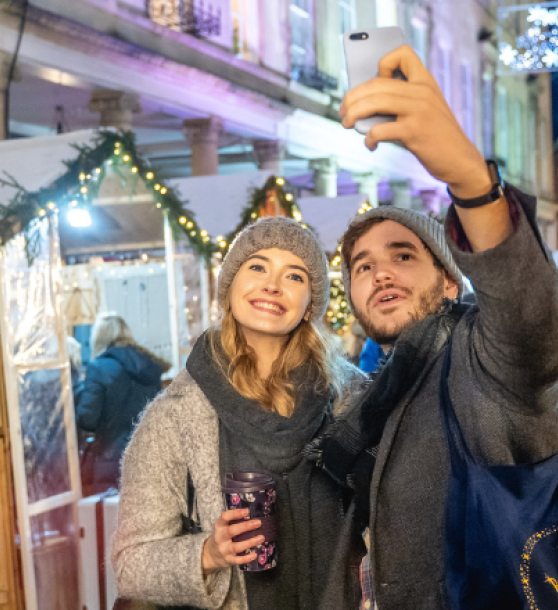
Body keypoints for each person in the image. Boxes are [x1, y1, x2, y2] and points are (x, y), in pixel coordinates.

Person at [310, 45, 558, 609]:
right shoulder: (372, 399)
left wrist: (470, 180)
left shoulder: (483, 362)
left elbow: (539, 327)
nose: (380, 271)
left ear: (452, 282)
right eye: (362, 266)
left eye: (404, 256)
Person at [111, 218, 366, 610]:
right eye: (258, 266)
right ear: (230, 285)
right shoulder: (174, 418)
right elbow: (131, 564)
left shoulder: (352, 400)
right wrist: (209, 553)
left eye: (295, 276)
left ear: (310, 302)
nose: (273, 285)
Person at [75, 313, 169, 496]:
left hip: (111, 460)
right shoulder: (150, 367)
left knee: (112, 519)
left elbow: (87, 419)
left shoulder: (99, 367)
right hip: (149, 458)